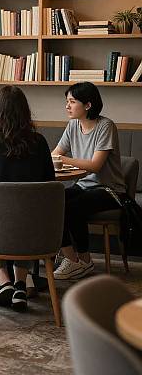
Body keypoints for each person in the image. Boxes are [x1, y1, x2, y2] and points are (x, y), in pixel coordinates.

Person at [0, 86, 55, 310]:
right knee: (25, 218)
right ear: (25, 112)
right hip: (36, 233)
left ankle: (3, 282)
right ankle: (19, 284)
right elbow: (50, 185)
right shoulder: (40, 142)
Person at [52, 81, 126, 280]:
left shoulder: (105, 126)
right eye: (67, 101)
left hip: (110, 190)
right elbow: (56, 153)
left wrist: (62, 160)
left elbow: (95, 166)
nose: (67, 106)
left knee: (72, 207)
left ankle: (84, 261)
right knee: (52, 202)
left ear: (88, 105)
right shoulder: (73, 125)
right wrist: (52, 159)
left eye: (72, 102)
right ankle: (71, 259)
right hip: (83, 186)